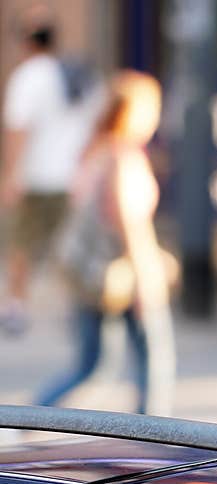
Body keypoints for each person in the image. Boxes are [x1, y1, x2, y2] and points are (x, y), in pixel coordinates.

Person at [34, 70, 174, 416]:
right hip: (120, 274)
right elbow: (129, 224)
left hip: (92, 275)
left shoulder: (95, 152)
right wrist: (146, 280)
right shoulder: (121, 159)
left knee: (92, 365)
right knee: (153, 362)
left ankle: (33, 414)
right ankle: (154, 437)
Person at [0, 9, 100, 335]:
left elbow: (18, 130)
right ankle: (73, 307)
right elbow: (95, 125)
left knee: (22, 243)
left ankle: (16, 306)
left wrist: (11, 175)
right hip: (72, 177)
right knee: (66, 244)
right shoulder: (76, 73)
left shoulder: (28, 76)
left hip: (37, 177)